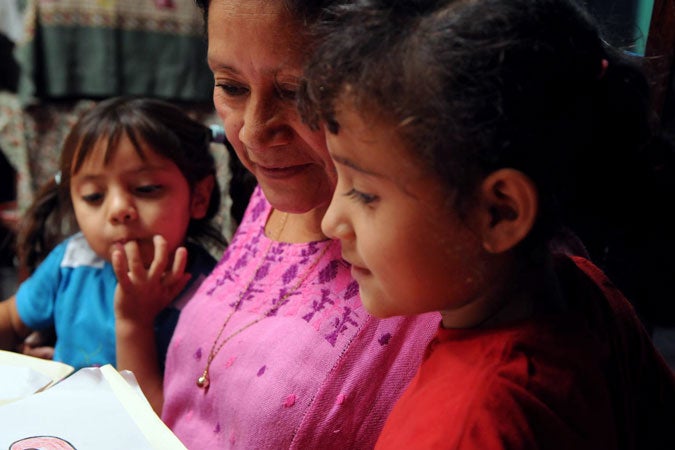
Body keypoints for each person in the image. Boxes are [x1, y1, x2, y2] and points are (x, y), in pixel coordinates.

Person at [298, 0, 675, 448]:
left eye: (364, 192)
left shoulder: (464, 427)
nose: (331, 220)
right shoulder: (586, 290)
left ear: (500, 213)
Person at [114, 0, 439, 447]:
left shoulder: (449, 268)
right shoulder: (270, 195)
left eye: (295, 92)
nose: (251, 131)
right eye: (231, 86)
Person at [0, 96, 225, 377]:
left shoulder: (212, 299)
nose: (118, 210)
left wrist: (136, 321)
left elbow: (160, 416)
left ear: (199, 196)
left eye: (146, 188)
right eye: (94, 196)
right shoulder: (73, 261)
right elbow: (10, 319)